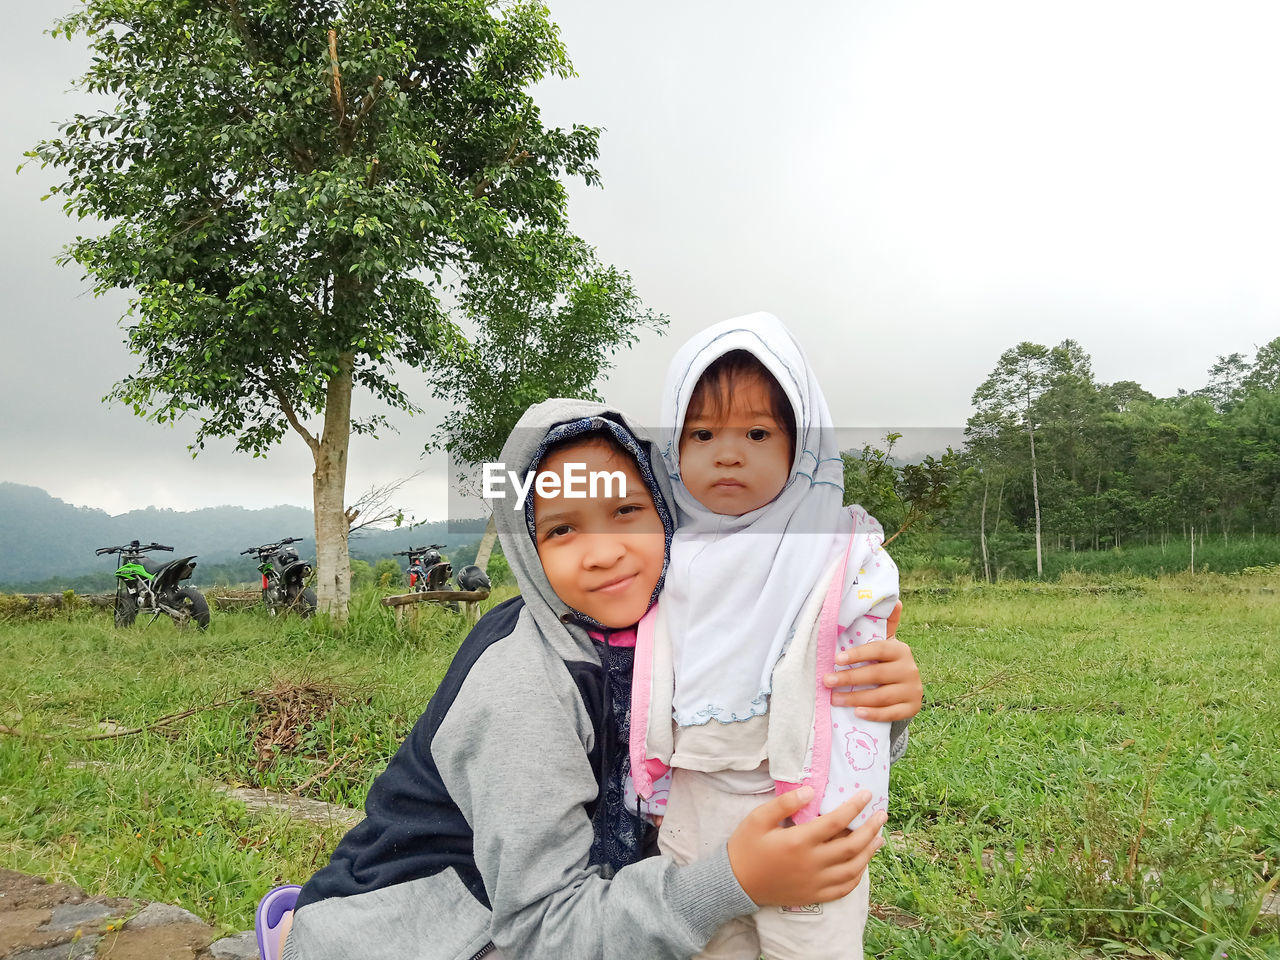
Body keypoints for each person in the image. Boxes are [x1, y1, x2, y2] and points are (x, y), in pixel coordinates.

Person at [260, 399, 888, 960]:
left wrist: (878, 702)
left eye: (626, 511)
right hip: (426, 931)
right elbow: (543, 932)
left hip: (578, 899)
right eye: (562, 529)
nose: (604, 551)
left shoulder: (679, 633)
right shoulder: (520, 684)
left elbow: (769, 745)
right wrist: (731, 881)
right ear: (526, 548)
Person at [629, 313, 924, 960]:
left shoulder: (834, 549)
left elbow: (868, 659)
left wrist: (894, 691)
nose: (728, 453)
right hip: (695, 811)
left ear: (802, 447)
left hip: (807, 808)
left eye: (758, 432)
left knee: (811, 945)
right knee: (709, 946)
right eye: (701, 433)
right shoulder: (662, 554)